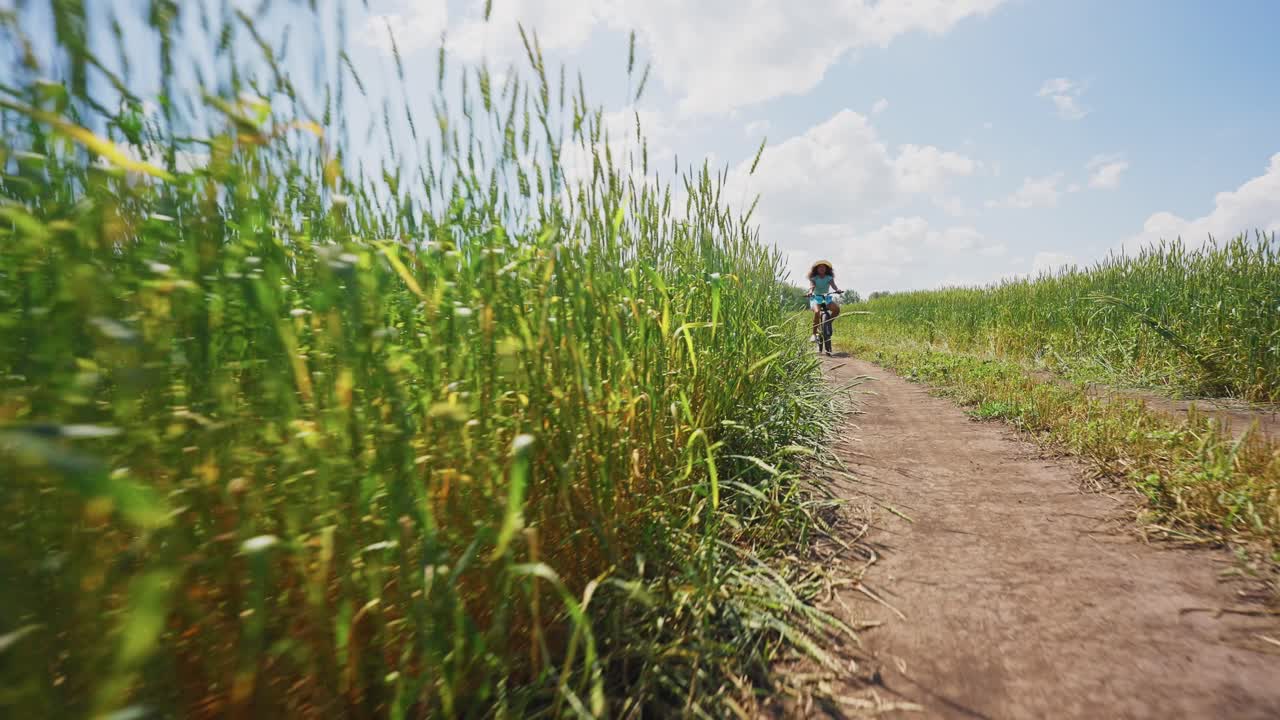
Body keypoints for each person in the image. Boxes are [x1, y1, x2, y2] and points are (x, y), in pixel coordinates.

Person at [807, 260, 841, 341]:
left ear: (826, 269)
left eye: (824, 267)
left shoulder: (829, 278)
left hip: (826, 298)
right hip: (816, 298)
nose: (822, 269)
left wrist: (837, 289)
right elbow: (812, 287)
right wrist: (810, 292)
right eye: (820, 267)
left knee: (836, 309)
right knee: (816, 312)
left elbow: (833, 285)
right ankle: (814, 334)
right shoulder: (814, 278)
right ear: (816, 269)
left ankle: (827, 324)